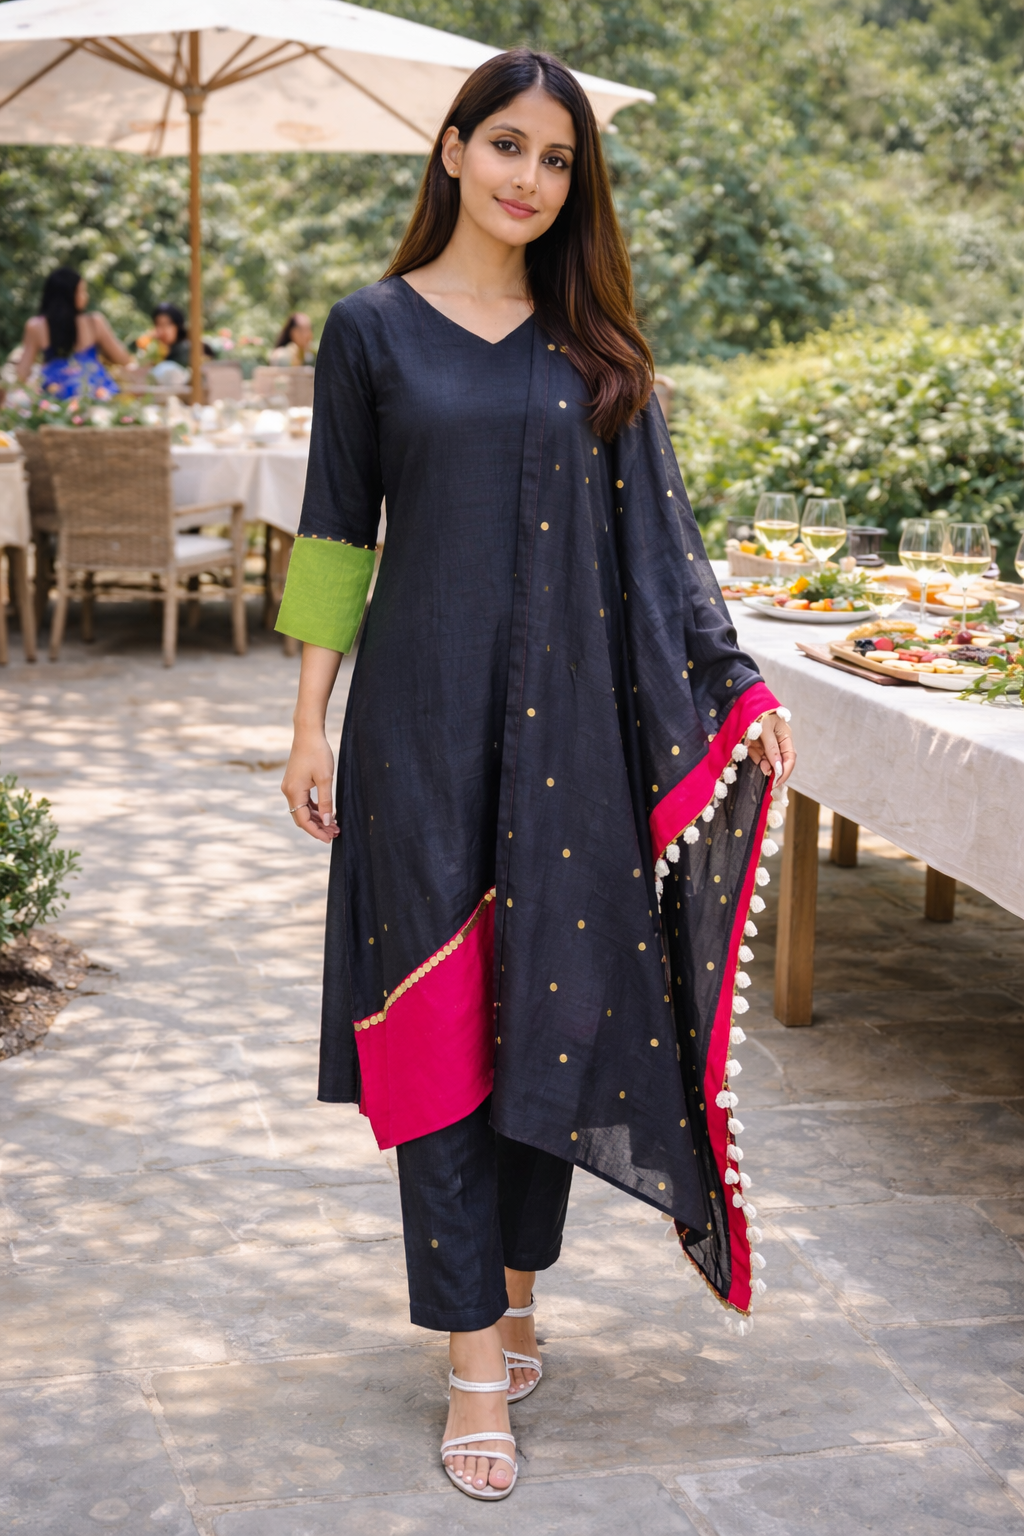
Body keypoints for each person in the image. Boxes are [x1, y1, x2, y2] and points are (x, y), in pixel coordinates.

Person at [275, 48, 796, 1503]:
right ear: (451, 151)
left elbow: (666, 547)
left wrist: (735, 681)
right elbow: (335, 533)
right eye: (506, 144)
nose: (530, 177)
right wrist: (308, 722)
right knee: (436, 1030)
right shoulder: (371, 330)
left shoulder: (593, 348)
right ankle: (468, 1362)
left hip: (569, 736)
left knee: (542, 1019)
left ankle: (510, 1293)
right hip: (418, 726)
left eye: (556, 159)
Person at [16, 267, 129, 398]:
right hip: (97, 392)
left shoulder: (36, 325)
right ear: (69, 295)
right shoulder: (94, 322)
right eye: (82, 291)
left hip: (55, 397)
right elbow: (122, 359)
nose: (86, 296)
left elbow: (22, 373)